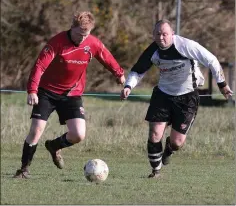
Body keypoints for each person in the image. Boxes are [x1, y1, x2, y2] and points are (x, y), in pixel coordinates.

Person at [14, 11, 126, 178]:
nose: (82, 38)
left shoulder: (92, 43)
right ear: (72, 28)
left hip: (72, 93)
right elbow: (39, 66)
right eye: (79, 34)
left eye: (86, 35)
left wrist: (118, 74)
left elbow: (106, 56)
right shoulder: (57, 42)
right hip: (47, 92)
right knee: (36, 129)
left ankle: (53, 146)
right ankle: (23, 169)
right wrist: (32, 90)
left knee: (78, 135)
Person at [120, 19, 233, 178]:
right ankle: (156, 172)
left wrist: (222, 85)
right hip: (163, 94)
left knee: (177, 142)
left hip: (187, 97)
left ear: (172, 34)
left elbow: (212, 60)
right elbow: (138, 71)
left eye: (165, 34)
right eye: (158, 34)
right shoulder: (153, 50)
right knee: (154, 133)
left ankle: (169, 149)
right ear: (153, 35)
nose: (161, 38)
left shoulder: (186, 46)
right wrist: (128, 86)